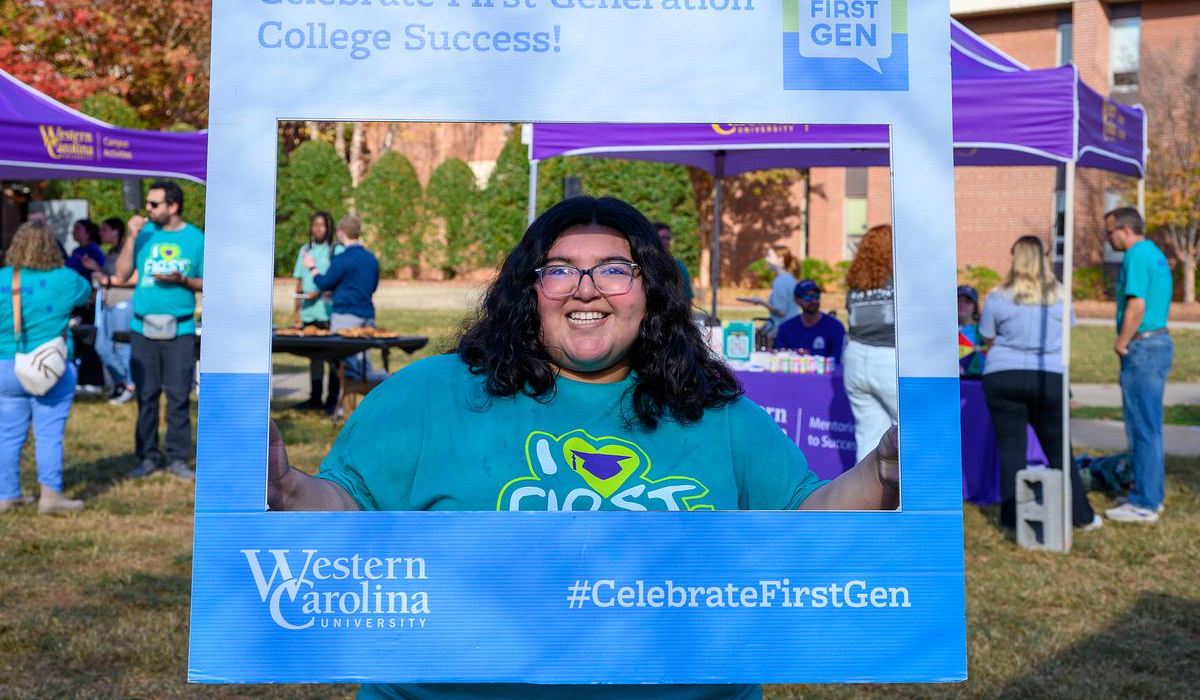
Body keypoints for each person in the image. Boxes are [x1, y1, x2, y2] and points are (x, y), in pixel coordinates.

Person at [268, 196, 899, 700]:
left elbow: (805, 524)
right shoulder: (429, 394)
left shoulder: (712, 409)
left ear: (651, 291)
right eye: (561, 269)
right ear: (529, 290)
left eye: (616, 270)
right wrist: (287, 487)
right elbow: (348, 520)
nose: (586, 289)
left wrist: (880, 470)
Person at [979, 236, 1099, 531]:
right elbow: (1068, 333)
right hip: (1048, 376)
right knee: (1059, 451)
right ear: (1044, 259)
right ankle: (1080, 515)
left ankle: (1011, 520)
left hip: (1003, 375)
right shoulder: (1060, 295)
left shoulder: (997, 296)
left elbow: (987, 337)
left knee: (1011, 453)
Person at [114, 180, 204, 481]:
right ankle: (148, 456)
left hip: (180, 329)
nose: (148, 209)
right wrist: (130, 237)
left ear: (173, 206)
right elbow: (121, 273)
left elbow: (207, 281)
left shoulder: (195, 238)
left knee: (179, 395)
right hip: (142, 327)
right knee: (147, 395)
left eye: (154, 204)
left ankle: (178, 457)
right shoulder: (143, 234)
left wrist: (183, 280)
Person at [0, 221, 92, 513]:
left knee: (8, 434)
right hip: (52, 368)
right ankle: (51, 496)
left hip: (6, 366)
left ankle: (7, 494)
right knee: (49, 434)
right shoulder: (66, 278)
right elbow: (86, 294)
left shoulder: (3, 278)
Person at [1103, 207, 1173, 524]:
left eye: (1110, 232)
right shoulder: (1155, 254)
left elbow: (1137, 303)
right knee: (1151, 427)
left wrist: (1122, 341)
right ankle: (1150, 494)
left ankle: (1143, 502)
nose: (1109, 238)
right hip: (1160, 342)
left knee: (1141, 427)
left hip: (1142, 346)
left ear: (1126, 230)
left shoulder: (1135, 256)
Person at [842, 224, 899, 463]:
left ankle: (868, 500)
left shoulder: (856, 286)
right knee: (916, 428)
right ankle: (914, 498)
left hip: (855, 358)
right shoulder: (898, 282)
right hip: (887, 356)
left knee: (869, 438)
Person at [303, 215, 380, 382]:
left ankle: (351, 402)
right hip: (368, 314)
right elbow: (373, 286)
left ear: (341, 233)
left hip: (346, 315)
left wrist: (312, 267)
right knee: (363, 361)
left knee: (349, 365)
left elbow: (325, 283)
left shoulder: (342, 259)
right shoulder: (371, 259)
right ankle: (364, 396)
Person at [291, 211, 343, 413]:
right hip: (308, 314)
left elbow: (337, 279)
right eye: (315, 225)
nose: (317, 229)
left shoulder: (336, 250)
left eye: (321, 225)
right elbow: (298, 281)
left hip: (328, 314)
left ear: (329, 228)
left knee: (333, 360)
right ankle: (314, 399)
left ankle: (332, 402)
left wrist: (319, 291)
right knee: (315, 360)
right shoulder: (305, 250)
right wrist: (296, 311)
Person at [83, 217, 138, 405]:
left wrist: (107, 280)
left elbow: (134, 277)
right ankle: (121, 383)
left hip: (123, 303)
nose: (101, 233)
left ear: (116, 231)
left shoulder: (128, 250)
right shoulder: (111, 252)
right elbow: (109, 276)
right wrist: (97, 270)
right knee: (102, 347)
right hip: (108, 305)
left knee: (123, 346)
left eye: (105, 229)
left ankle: (131, 386)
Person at [63, 218, 107, 394]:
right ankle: (81, 378)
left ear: (88, 232)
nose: (74, 231)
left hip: (87, 303)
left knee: (89, 339)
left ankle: (94, 380)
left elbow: (99, 274)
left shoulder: (93, 251)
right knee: (79, 340)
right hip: (75, 302)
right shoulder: (76, 251)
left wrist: (92, 294)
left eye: (78, 228)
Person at [740, 244, 800, 343]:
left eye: (769, 256)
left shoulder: (781, 281)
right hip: (788, 331)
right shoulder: (789, 279)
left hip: (781, 334)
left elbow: (781, 312)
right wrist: (764, 327)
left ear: (780, 259)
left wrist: (760, 301)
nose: (766, 259)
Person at [773, 279, 846, 359]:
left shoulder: (835, 327)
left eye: (816, 296)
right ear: (796, 300)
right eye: (807, 297)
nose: (813, 301)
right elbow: (780, 357)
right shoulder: (786, 328)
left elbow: (838, 361)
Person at [653, 221, 693, 300]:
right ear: (652, 238)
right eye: (662, 237)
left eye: (668, 238)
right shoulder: (643, 263)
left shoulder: (679, 266)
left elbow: (687, 297)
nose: (667, 242)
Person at [957, 284, 985, 378]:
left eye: (967, 302)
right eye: (958, 300)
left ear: (975, 306)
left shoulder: (983, 333)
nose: (961, 304)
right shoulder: (941, 331)